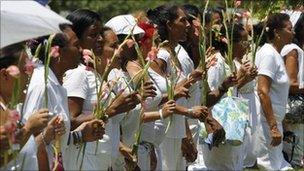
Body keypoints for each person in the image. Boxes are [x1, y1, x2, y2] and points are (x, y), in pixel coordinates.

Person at [64, 10, 140, 170]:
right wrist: (111, 110)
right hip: (84, 160)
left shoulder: (96, 74)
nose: (99, 39)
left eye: (100, 34)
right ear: (77, 37)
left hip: (103, 160)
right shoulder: (79, 74)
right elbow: (69, 122)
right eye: (93, 34)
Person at [23, 25, 105, 170]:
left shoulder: (56, 84)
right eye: (76, 45)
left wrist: (81, 135)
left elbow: (57, 140)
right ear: (57, 52)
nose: (81, 50)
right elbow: (27, 144)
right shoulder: (42, 85)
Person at [0, 43, 50, 170]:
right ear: (5, 75)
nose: (29, 75)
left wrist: (46, 134)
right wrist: (28, 129)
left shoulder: (10, 109)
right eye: (25, 70)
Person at [255, 13, 294, 170]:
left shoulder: (275, 54)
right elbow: (262, 91)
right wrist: (273, 127)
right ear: (277, 32)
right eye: (289, 29)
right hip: (266, 124)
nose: (294, 32)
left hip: (274, 121)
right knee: (269, 167)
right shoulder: (268, 54)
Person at [280, 12, 304, 168]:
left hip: (297, 111)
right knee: (294, 157)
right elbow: (291, 83)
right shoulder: (292, 50)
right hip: (293, 109)